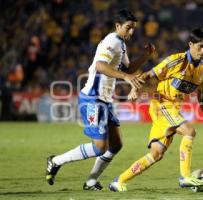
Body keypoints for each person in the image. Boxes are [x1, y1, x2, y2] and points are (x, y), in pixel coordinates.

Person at [45, 9, 155, 190]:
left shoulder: (121, 44)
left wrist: (145, 56)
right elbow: (100, 65)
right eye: (128, 28)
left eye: (133, 28)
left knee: (116, 144)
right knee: (99, 148)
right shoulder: (112, 41)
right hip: (93, 98)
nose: (131, 32)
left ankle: (90, 182)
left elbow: (127, 70)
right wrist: (125, 78)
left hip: (104, 100)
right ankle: (55, 161)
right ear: (117, 26)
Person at [109, 27, 203, 192]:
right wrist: (134, 89)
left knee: (156, 153)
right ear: (190, 44)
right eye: (200, 46)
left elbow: (202, 97)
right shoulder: (175, 61)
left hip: (173, 110)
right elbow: (147, 75)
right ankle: (185, 177)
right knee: (190, 131)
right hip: (161, 105)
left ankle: (118, 181)